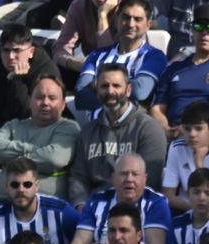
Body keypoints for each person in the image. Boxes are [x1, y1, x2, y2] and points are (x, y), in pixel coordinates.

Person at [70, 65, 168, 203]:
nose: (110, 91)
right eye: (104, 86)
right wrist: (81, 207)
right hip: (93, 209)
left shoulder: (149, 129)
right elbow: (79, 178)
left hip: (133, 209)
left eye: (116, 86)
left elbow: (149, 181)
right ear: (97, 91)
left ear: (128, 90)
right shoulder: (88, 131)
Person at [69, 153, 173, 244]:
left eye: (135, 174)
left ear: (145, 178)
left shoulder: (156, 202)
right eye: (123, 174)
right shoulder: (97, 200)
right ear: (113, 178)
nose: (129, 179)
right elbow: (79, 242)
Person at [150, 3, 209, 140]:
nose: (205, 33)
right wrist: (165, 129)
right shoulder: (174, 66)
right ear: (192, 31)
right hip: (172, 136)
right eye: (199, 27)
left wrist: (192, 127)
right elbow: (157, 109)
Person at [0, 77, 81, 196]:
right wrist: (34, 150)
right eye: (39, 97)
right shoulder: (13, 125)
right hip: (2, 204)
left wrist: (11, 160)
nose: (45, 102)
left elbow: (54, 159)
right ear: (30, 101)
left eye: (52, 98)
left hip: (47, 207)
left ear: (63, 105)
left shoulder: (69, 127)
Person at [76, 0, 168, 114]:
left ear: (148, 25)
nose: (130, 24)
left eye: (138, 19)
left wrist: (97, 84)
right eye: (126, 17)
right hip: (96, 128)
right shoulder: (97, 55)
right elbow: (81, 96)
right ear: (116, 20)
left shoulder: (154, 56)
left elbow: (141, 92)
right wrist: (126, 91)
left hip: (132, 129)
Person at [0, 23, 62, 140]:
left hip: (40, 136)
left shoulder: (47, 73)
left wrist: (17, 82)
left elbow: (30, 116)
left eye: (17, 50)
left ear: (31, 51)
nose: (11, 56)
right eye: (6, 50)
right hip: (1, 134)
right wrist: (2, 137)